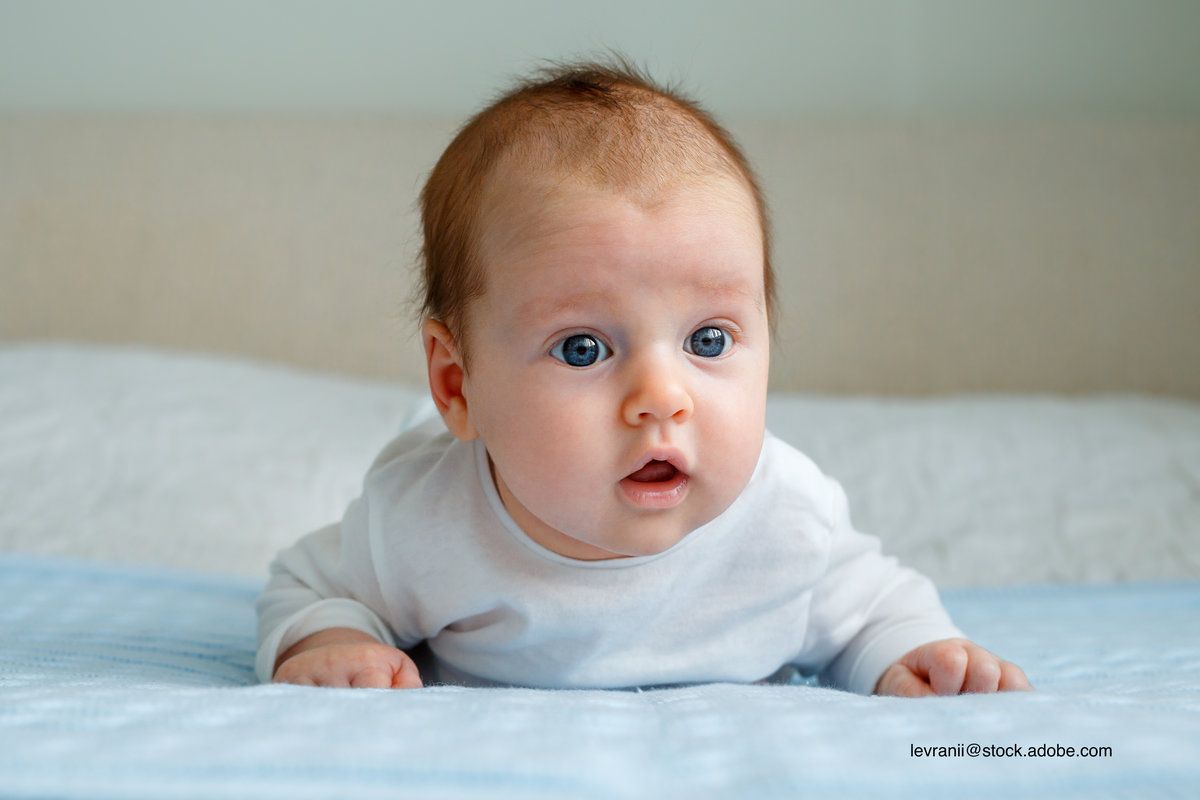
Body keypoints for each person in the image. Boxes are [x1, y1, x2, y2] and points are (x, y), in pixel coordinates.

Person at [256, 55, 1031, 697]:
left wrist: (909, 655)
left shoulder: (786, 518)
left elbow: (873, 611)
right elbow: (308, 584)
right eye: (583, 349)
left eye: (709, 338)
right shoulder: (423, 521)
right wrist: (332, 640)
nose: (663, 397)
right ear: (459, 386)